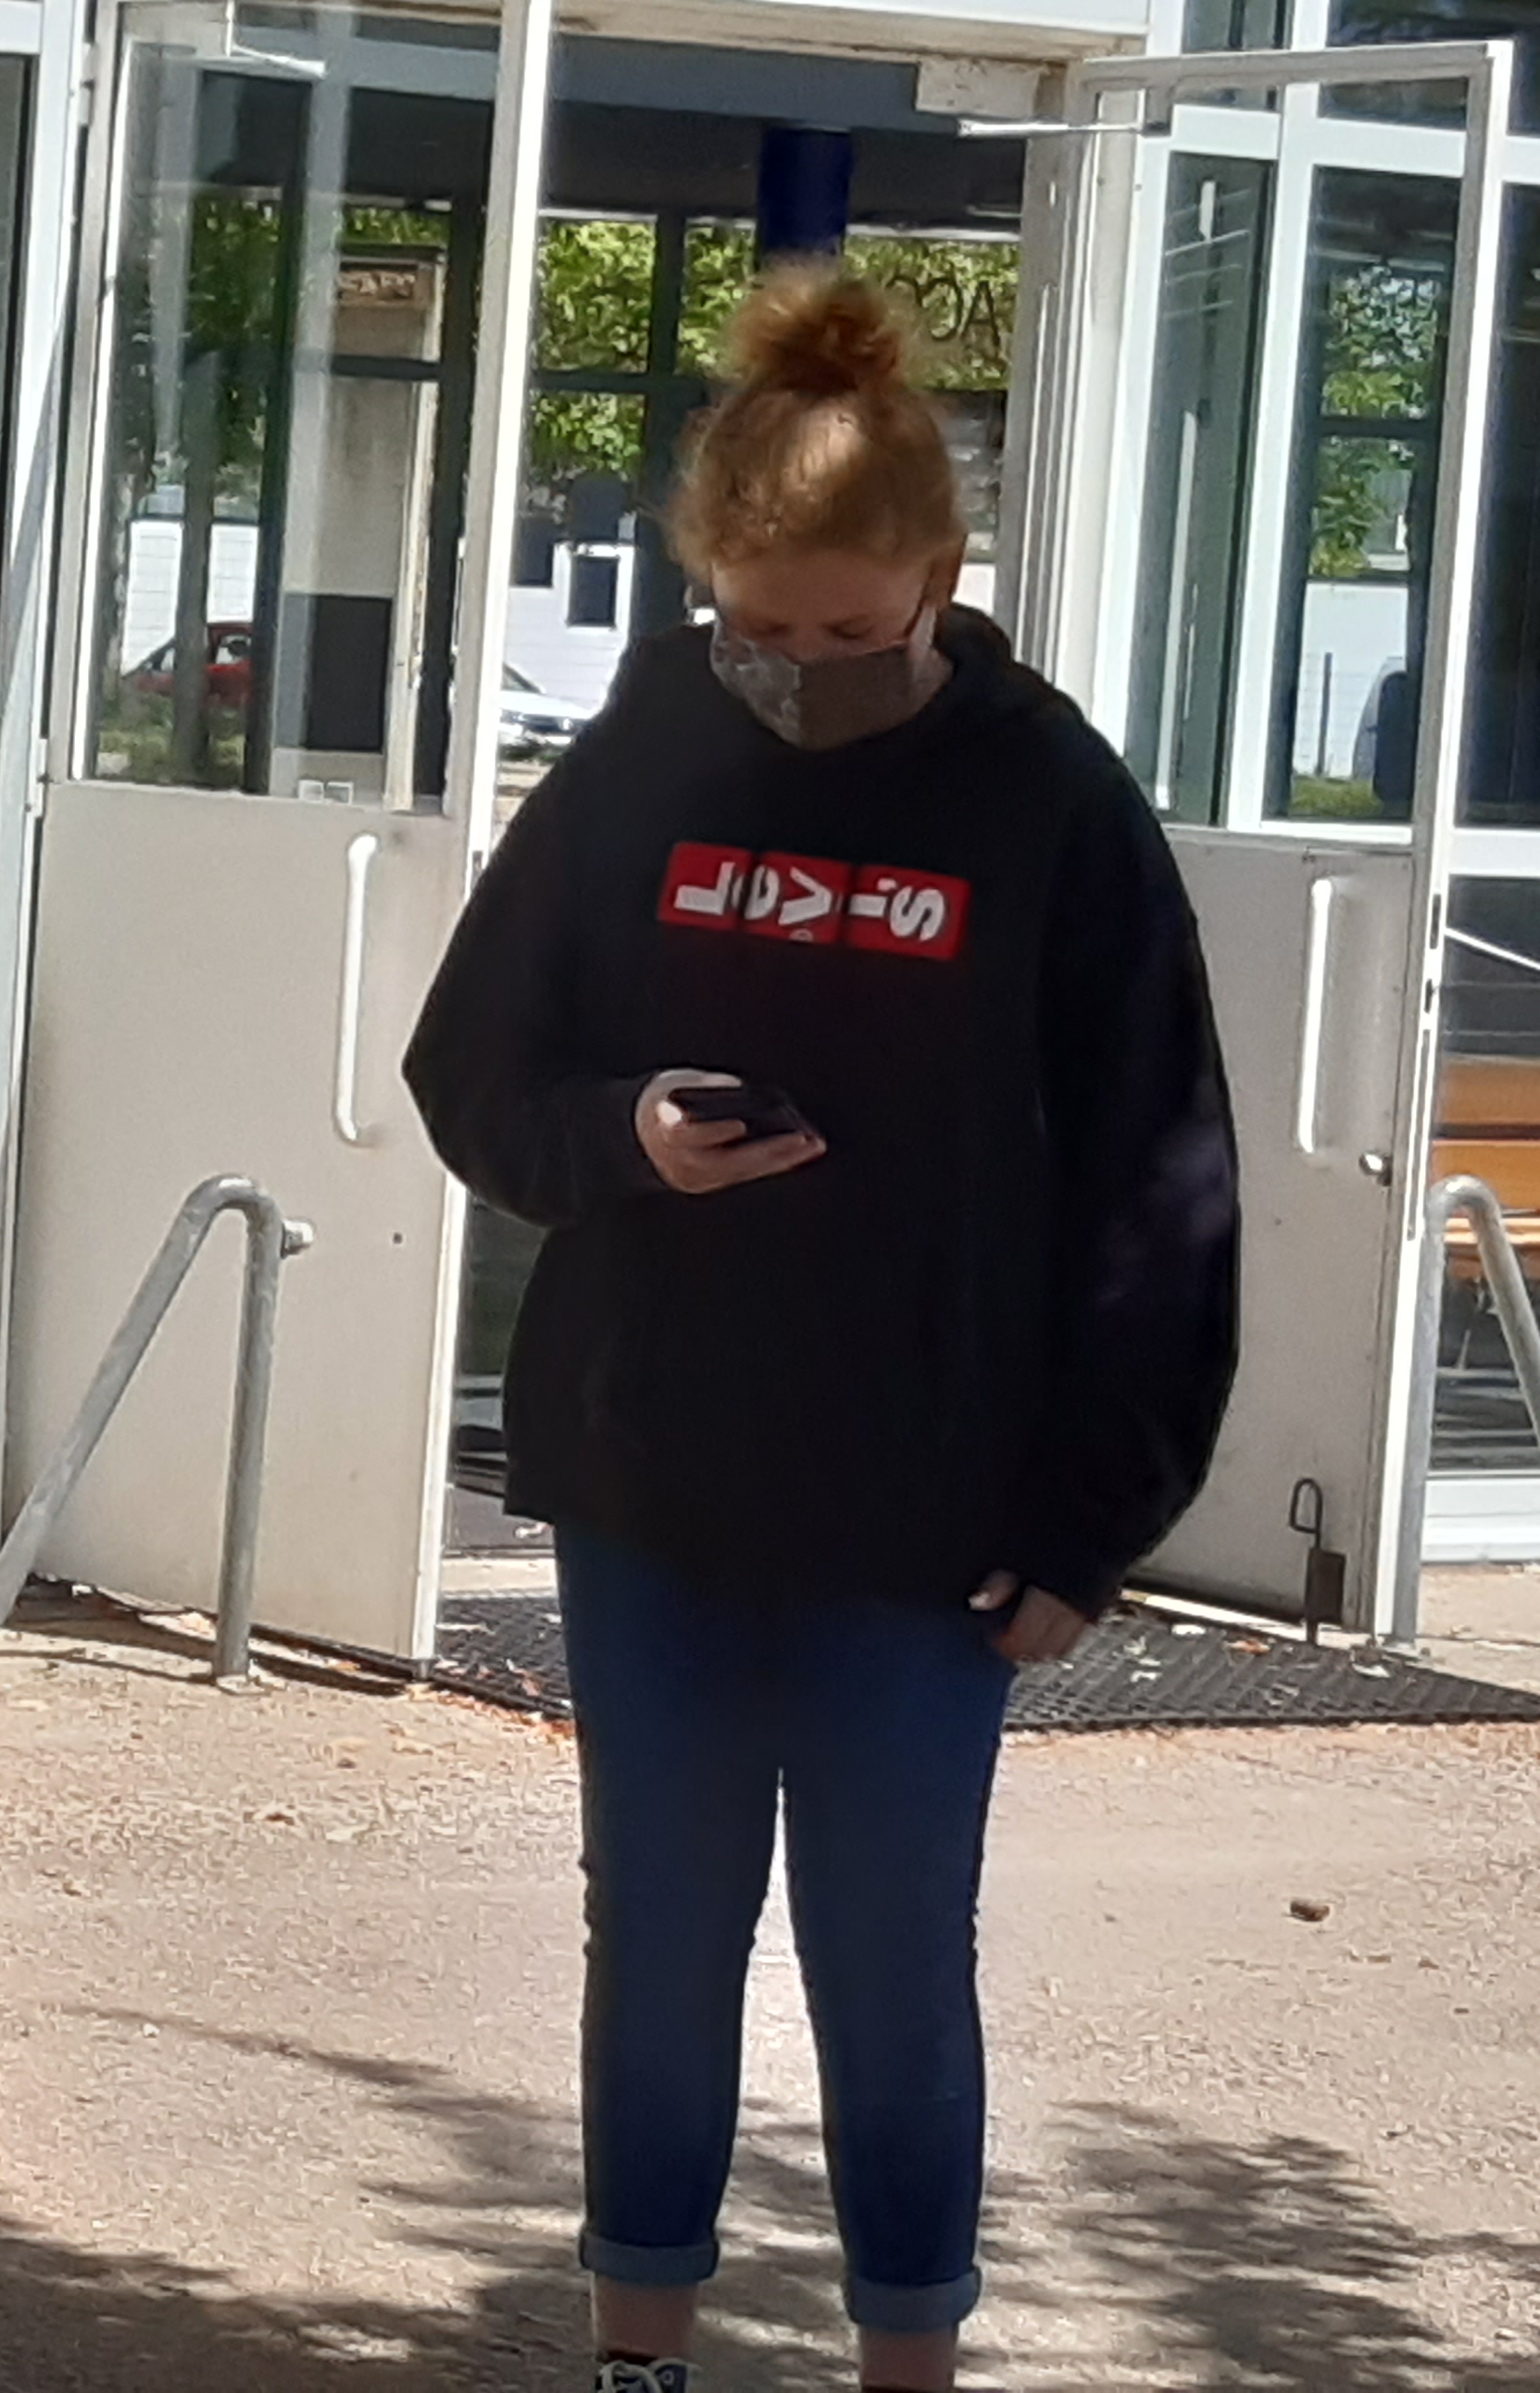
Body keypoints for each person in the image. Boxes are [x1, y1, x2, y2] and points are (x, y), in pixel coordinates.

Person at [404, 272, 1240, 2393]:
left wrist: (1093, 1520)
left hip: (934, 1507)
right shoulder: (646, 758)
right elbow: (472, 1068)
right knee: (660, 1936)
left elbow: (1161, 1182)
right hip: (654, 1468)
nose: (801, 672)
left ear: (941, 582)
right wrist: (624, 1135)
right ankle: (640, 2354)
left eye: (852, 633)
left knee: (889, 1955)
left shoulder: (1049, 799)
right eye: (758, 630)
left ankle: (907, 2359)